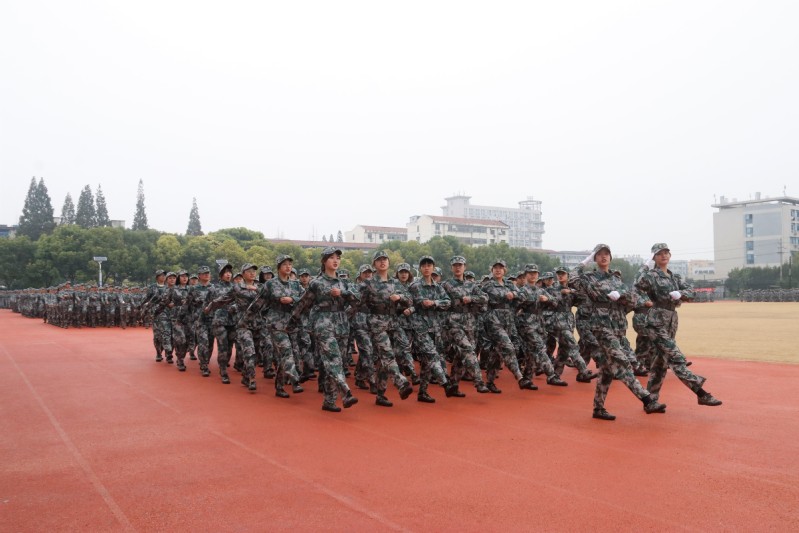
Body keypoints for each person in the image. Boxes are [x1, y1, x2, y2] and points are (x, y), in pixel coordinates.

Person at [569, 244, 667, 420]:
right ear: (595, 258)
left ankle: (598, 408)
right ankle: (647, 400)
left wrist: (621, 296)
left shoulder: (616, 279)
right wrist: (585, 262)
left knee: (607, 369)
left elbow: (633, 299)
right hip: (601, 327)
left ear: (610, 258)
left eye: (607, 254)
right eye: (599, 254)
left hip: (618, 327)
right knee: (622, 363)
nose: (604, 257)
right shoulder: (589, 278)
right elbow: (572, 277)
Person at [635, 243, 722, 408]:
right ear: (654, 257)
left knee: (660, 363)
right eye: (659, 253)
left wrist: (680, 293)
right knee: (676, 358)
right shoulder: (651, 275)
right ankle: (701, 393)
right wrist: (645, 266)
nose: (663, 255)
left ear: (670, 255)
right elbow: (637, 284)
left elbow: (691, 292)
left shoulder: (674, 277)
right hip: (656, 321)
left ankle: (651, 401)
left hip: (671, 319)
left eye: (666, 252)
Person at [291, 247, 359, 412]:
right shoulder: (316, 283)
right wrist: (293, 321)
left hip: (342, 325)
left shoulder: (344, 283)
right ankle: (345, 391)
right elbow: (304, 303)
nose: (335, 261)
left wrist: (343, 294)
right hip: (323, 324)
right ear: (324, 261)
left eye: (338, 258)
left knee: (337, 362)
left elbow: (357, 302)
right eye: (331, 258)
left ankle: (329, 400)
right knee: (333, 359)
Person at [358, 251, 414, 406]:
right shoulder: (368, 283)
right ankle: (401, 382)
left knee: (387, 359)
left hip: (393, 323)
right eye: (379, 260)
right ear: (374, 264)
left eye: (385, 259)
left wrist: (400, 297)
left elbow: (410, 300)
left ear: (389, 263)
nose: (382, 262)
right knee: (387, 354)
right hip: (377, 322)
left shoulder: (395, 283)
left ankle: (380, 395)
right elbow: (356, 301)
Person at [244, 255, 305, 398]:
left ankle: (279, 386)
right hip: (275, 322)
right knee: (286, 351)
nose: (288, 267)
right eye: (284, 264)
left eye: (290, 264)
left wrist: (292, 299)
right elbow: (258, 302)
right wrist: (246, 319)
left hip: (292, 322)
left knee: (291, 354)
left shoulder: (296, 285)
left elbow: (306, 299)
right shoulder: (270, 284)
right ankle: (295, 380)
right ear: (278, 267)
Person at [478, 260, 537, 393]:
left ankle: (490, 382)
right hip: (493, 320)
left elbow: (522, 295)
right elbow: (480, 299)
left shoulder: (510, 284)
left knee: (497, 352)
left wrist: (514, 294)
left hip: (508, 320)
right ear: (492, 270)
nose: (498, 270)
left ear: (505, 270)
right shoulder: (487, 285)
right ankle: (520, 377)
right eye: (495, 268)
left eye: (501, 268)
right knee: (507, 346)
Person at [407, 256, 459, 402]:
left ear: (433, 268)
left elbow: (447, 302)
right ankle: (445, 384)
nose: (426, 267)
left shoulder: (438, 287)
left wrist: (435, 303)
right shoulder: (415, 286)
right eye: (424, 265)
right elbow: (416, 302)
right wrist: (426, 304)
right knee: (432, 355)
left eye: (429, 265)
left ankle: (422, 392)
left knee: (427, 362)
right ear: (420, 268)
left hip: (435, 327)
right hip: (420, 327)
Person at [440, 256, 490, 394]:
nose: (458, 268)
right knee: (467, 349)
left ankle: (453, 385)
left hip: (469, 323)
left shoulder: (471, 285)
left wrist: (471, 298)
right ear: (451, 268)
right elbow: (440, 300)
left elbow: (485, 298)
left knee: (461, 355)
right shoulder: (446, 285)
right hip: (453, 321)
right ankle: (479, 382)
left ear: (464, 267)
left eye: (460, 265)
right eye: (455, 265)